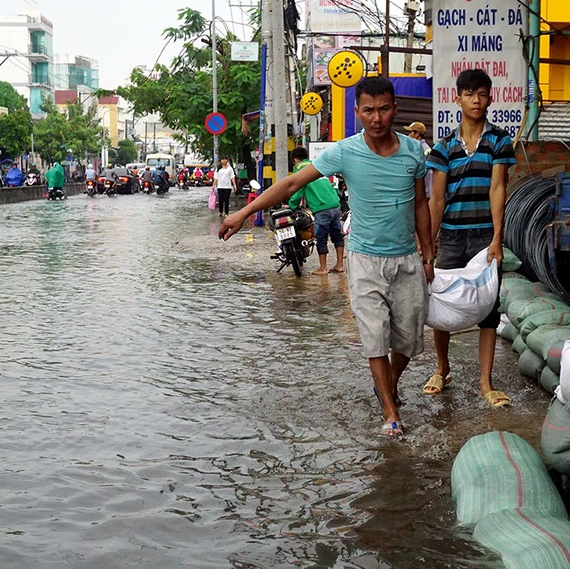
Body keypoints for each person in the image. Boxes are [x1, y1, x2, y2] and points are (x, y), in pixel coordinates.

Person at [219, 76, 433, 437]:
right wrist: (243, 213)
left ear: (394, 109)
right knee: (374, 336)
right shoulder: (344, 151)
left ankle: (387, 385)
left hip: (407, 258)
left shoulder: (414, 152)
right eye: (368, 110)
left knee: (409, 339)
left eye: (383, 109)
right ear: (357, 112)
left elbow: (420, 203)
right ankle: (390, 409)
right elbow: (290, 185)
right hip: (364, 259)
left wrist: (428, 254)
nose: (376, 118)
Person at [424, 68, 515, 408]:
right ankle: (442, 367)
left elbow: (497, 188)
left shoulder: (499, 141)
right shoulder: (443, 146)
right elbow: (437, 198)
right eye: (470, 94)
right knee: (441, 302)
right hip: (450, 237)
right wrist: (430, 243)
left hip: (483, 240)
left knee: (489, 310)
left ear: (490, 97)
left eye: (483, 94)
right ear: (457, 98)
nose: (477, 100)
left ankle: (485, 382)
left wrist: (496, 239)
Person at [288, 146, 346, 275]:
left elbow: (299, 189)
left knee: (321, 237)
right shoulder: (316, 165)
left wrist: (291, 205)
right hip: (335, 204)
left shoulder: (300, 168)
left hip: (322, 207)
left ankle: (323, 268)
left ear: (296, 160)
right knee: (337, 235)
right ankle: (340, 265)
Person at [403, 121, 433, 198]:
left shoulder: (425, 150)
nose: (408, 135)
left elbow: (429, 174)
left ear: (417, 134)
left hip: (424, 195)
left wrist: (428, 194)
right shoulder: (414, 148)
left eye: (410, 132)